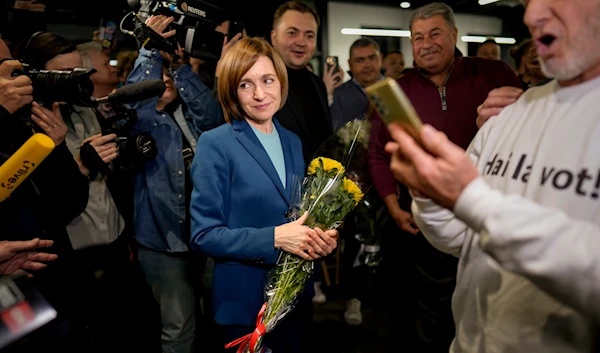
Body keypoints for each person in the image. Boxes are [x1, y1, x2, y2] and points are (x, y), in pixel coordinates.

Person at [385, 0, 600, 351]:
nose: (531, 16)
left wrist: (474, 200)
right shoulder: (509, 111)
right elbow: (460, 238)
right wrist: (429, 194)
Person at [367, 3, 523, 351]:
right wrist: (394, 206)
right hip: (425, 221)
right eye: (418, 37)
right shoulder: (397, 90)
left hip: (488, 216)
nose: (426, 43)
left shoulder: (495, 73)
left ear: (455, 35)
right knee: (430, 315)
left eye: (435, 33)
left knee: (493, 306)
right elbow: (378, 152)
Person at [190, 37, 338, 353]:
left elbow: (297, 214)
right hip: (244, 303)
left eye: (267, 80)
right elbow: (203, 235)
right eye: (246, 84)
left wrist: (320, 238)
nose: (259, 94)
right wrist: (274, 238)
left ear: (280, 82)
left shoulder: (292, 141)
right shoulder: (216, 144)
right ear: (232, 90)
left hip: (295, 298)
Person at [126, 14, 224, 353]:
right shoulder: (143, 124)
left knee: (218, 318)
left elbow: (211, 116)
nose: (164, 81)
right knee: (179, 329)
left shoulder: (189, 116)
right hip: (164, 243)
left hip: (207, 238)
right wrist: (151, 51)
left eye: (168, 77)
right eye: (160, 76)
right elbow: (136, 104)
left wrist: (180, 65)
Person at [0, 37, 92, 352]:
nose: (14, 79)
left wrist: (57, 149)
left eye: (11, 67)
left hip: (51, 291)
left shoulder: (23, 122)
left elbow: (69, 205)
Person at [269, 0, 332, 164]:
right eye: (292, 33)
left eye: (309, 35)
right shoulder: (261, 83)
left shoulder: (318, 84)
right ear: (274, 37)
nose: (301, 42)